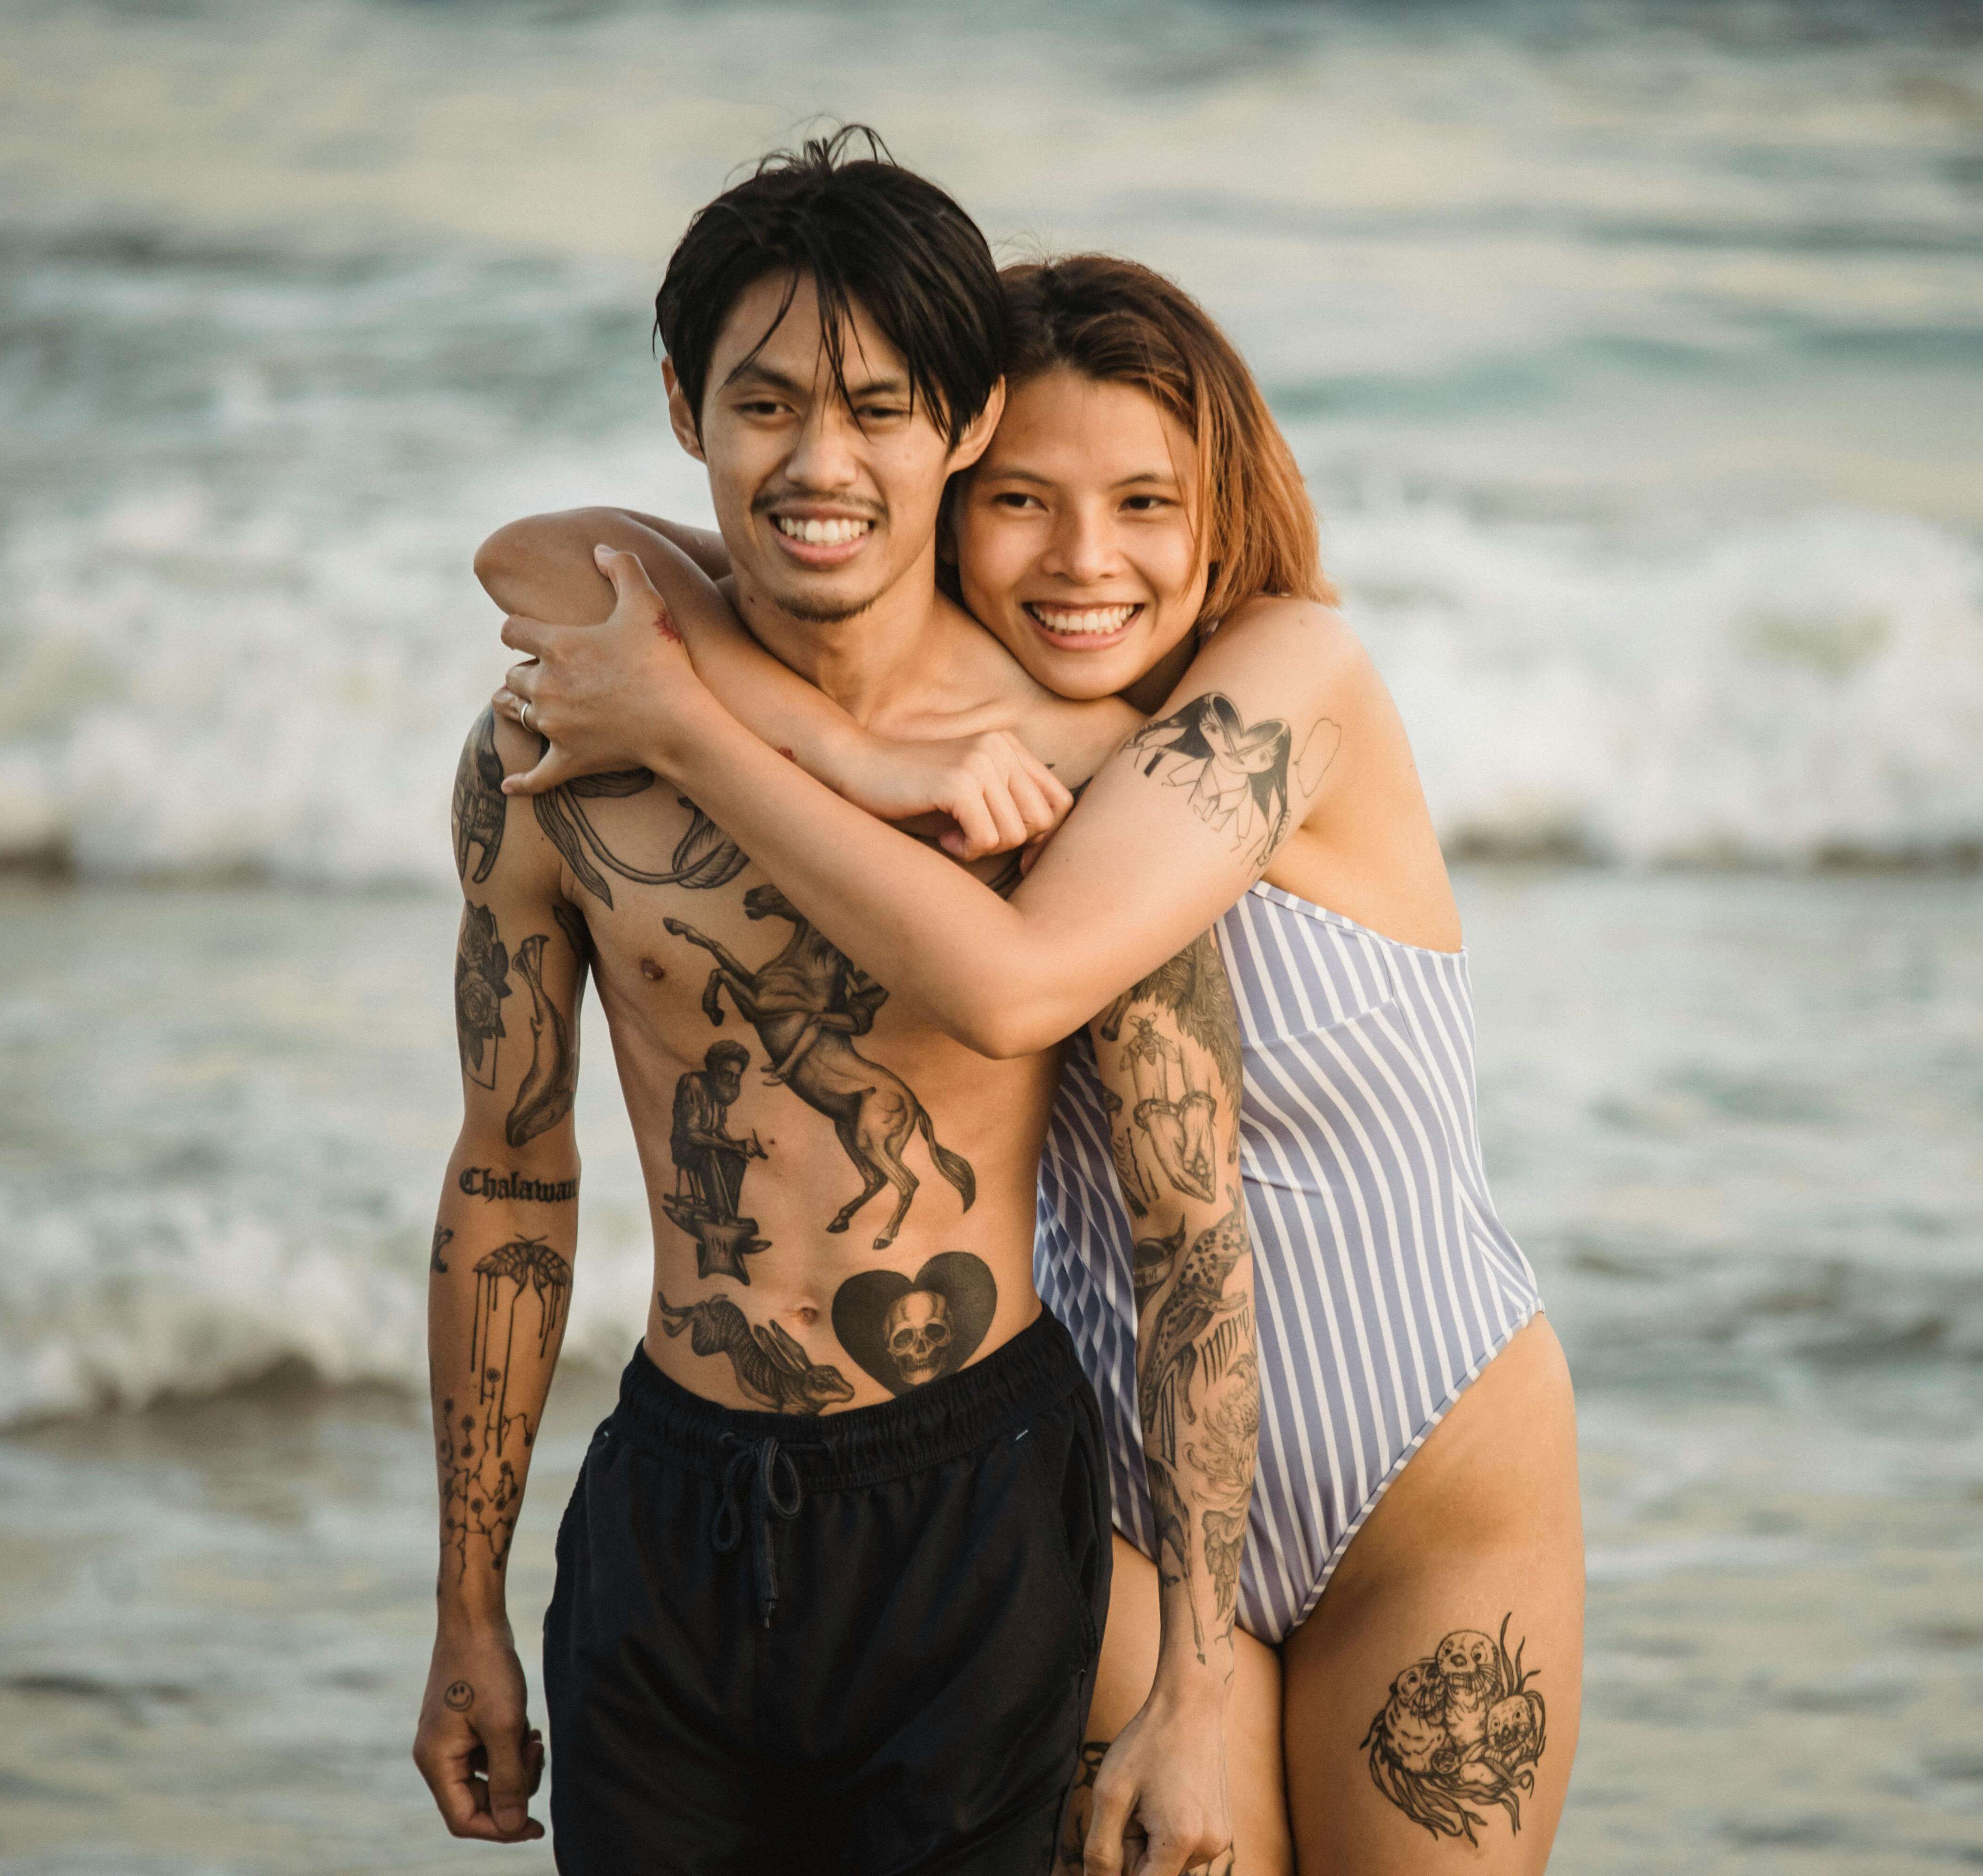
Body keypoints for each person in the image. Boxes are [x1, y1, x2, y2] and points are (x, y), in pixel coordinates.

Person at [483, 252, 1585, 1873]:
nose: (1087, 561)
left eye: (1148, 502)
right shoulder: (939, 709)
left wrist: (736, 731)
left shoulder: (1290, 680)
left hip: (1415, 1491)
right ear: (943, 490)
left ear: (1225, 509)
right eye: (1021, 500)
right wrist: (839, 725)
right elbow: (539, 558)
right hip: (1128, 1507)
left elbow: (1021, 983)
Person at [413, 134, 1262, 1876]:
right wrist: (467, 1615)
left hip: (972, 1504)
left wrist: (1191, 1690)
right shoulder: (562, 748)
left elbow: (1195, 1234)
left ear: (962, 426)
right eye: (765, 402)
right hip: (670, 1505)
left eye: (880, 408)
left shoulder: (1071, 775)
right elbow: (510, 1170)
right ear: (682, 406)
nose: (820, 463)